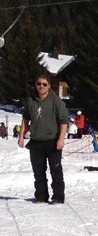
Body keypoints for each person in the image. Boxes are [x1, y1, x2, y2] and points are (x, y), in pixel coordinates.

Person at [18, 74, 68, 204]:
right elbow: (25, 118)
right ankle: (41, 196)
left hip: (52, 141)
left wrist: (61, 139)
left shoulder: (56, 101)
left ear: (49, 86)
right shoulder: (31, 100)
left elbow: (63, 122)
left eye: (44, 84)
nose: (41, 86)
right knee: (38, 171)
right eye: (39, 84)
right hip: (35, 141)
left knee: (55, 170)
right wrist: (21, 136)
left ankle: (58, 197)